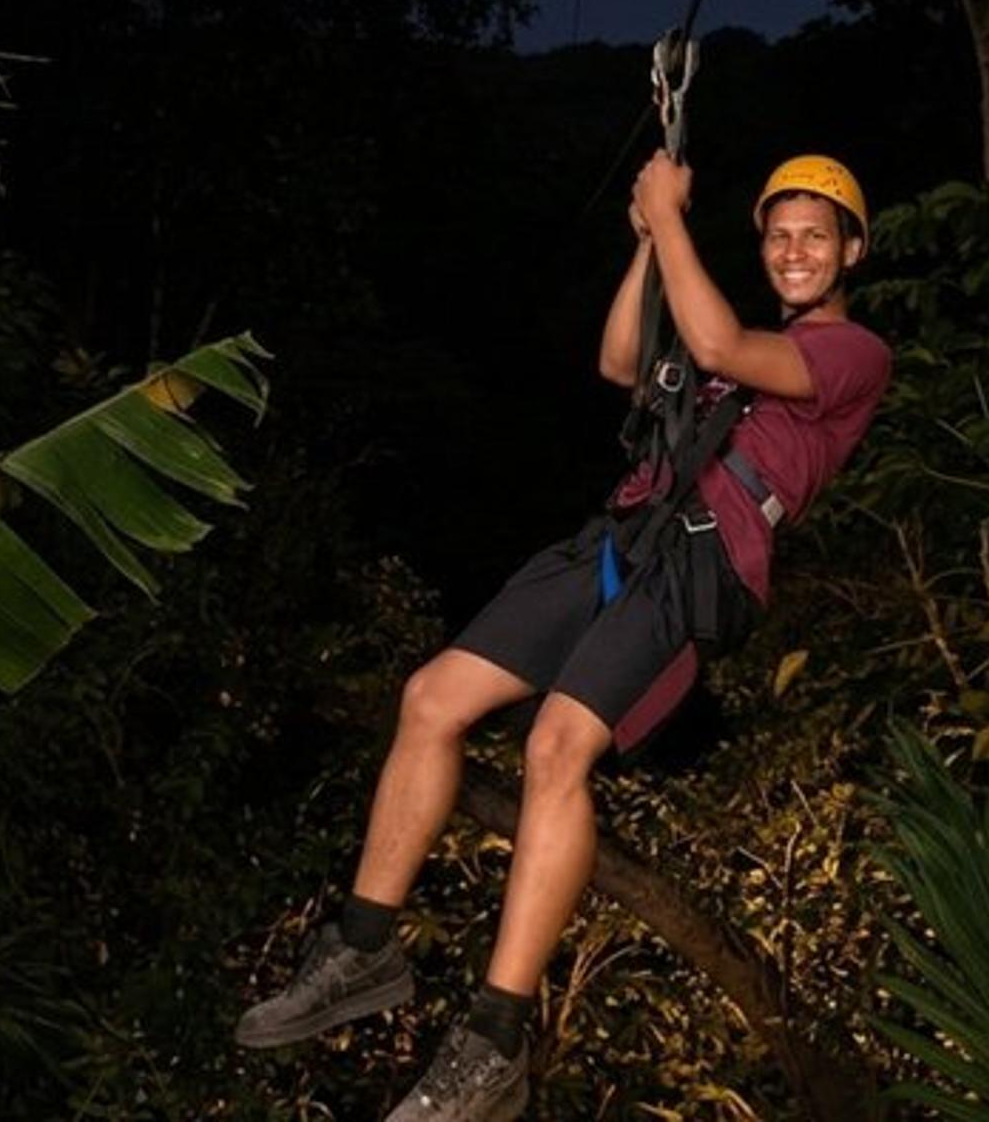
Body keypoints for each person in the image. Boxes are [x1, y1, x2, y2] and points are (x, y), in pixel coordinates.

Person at [235, 149, 893, 1121]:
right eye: (777, 235)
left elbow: (711, 347)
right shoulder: (735, 345)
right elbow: (624, 362)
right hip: (617, 538)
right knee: (430, 699)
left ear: (850, 251)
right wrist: (642, 243)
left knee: (556, 748)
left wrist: (668, 217)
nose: (793, 251)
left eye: (814, 236)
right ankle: (362, 948)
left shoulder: (848, 353)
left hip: (697, 566)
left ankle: (494, 1040)